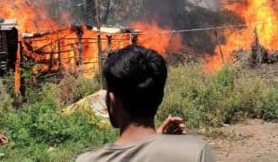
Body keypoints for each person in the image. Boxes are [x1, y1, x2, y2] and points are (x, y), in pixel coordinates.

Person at [76, 45, 214, 162]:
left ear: (112, 101)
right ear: (160, 97)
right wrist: (157, 140)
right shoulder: (195, 152)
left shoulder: (87, 160)